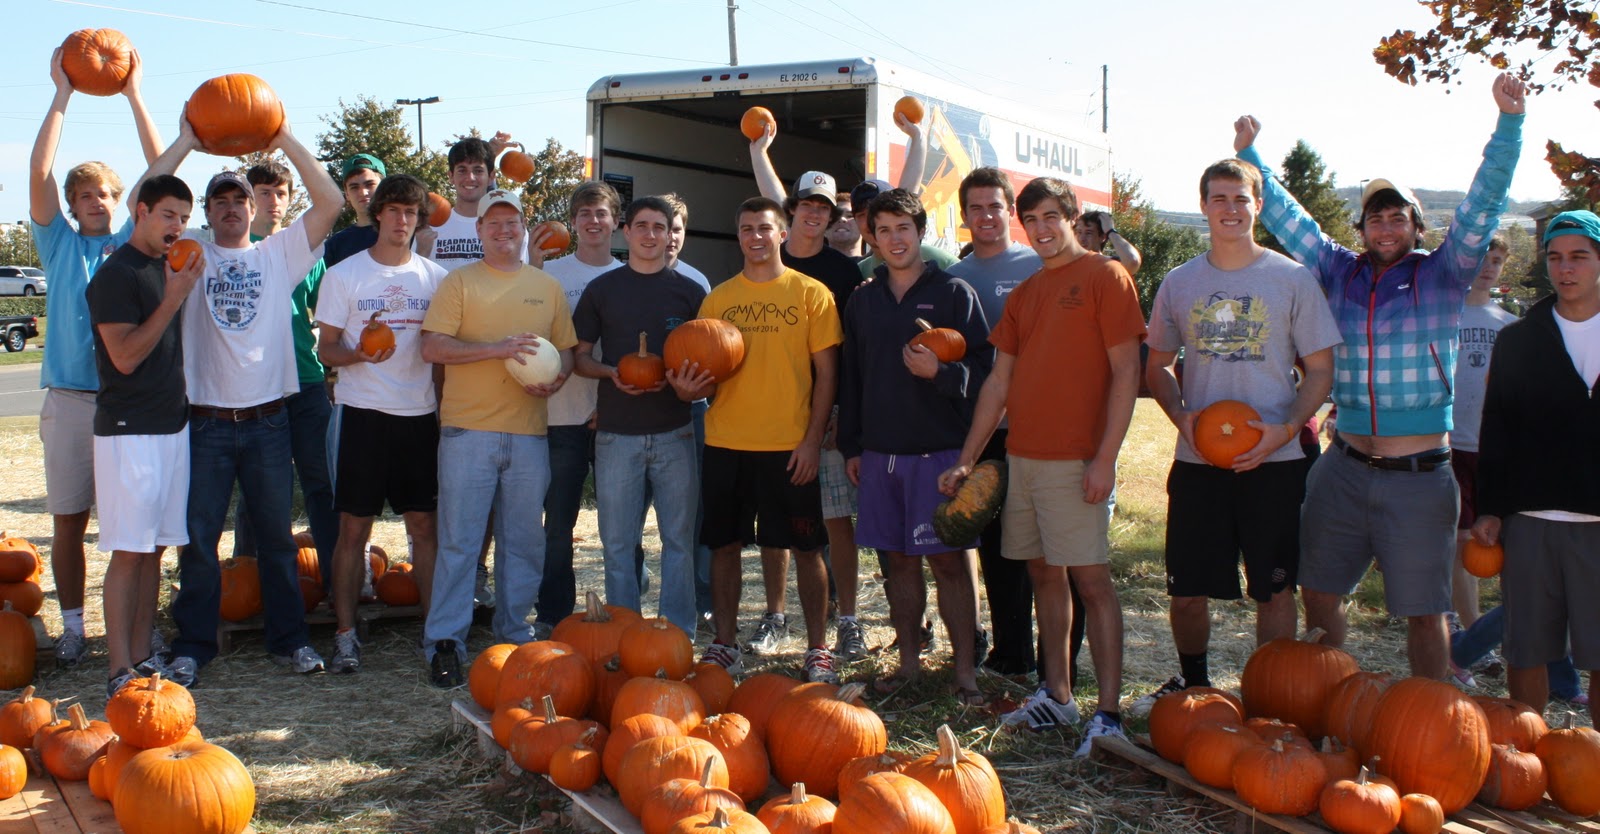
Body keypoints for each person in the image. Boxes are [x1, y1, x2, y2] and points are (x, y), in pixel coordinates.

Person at [1233, 72, 1526, 679]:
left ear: (1416, 226)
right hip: (1342, 467)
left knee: (1426, 613)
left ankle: (1430, 719)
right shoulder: (1340, 272)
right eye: (1375, 219)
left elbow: (1485, 201)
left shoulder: (1444, 274)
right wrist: (1251, 157)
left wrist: (1509, 124)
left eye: (1398, 218)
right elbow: (1293, 223)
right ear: (1361, 229)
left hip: (1420, 477)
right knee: (1318, 592)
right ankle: (1327, 696)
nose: (1386, 228)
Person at [938, 176, 1145, 756]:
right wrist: (967, 460)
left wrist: (1104, 458)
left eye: (1053, 216)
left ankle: (1108, 714)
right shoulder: (1027, 293)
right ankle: (1057, 695)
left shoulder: (1106, 278)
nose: (1044, 228)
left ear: (1073, 216)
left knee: (1092, 582)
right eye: (1034, 219)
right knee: (1043, 575)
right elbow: (998, 382)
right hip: (1023, 459)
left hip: (1076, 460)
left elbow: (1128, 372)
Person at [145, 108, 342, 687]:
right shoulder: (190, 252)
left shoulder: (277, 255)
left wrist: (283, 137)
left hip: (266, 422)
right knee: (200, 541)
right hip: (204, 423)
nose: (231, 209)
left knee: (278, 541)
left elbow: (328, 203)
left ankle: (291, 641)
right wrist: (185, 138)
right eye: (220, 202)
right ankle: (194, 646)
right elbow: (147, 196)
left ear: (254, 208)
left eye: (240, 201)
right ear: (207, 213)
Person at [1137, 159, 1339, 710]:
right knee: (1185, 590)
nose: (1230, 209)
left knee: (1275, 589)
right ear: (1203, 206)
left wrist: (1286, 430)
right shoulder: (1181, 282)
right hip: (1201, 460)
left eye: (1241, 199)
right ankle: (1195, 687)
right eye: (1219, 198)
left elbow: (1321, 369)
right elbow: (1156, 367)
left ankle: (1269, 699)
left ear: (1257, 206)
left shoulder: (1293, 278)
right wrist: (1184, 421)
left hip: (1274, 462)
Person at [29, 43, 162, 666]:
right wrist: (62, 93)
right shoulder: (55, 244)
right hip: (70, 401)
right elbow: (39, 174)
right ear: (72, 205)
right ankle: (76, 626)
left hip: (125, 403)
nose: (94, 202)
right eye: (83, 196)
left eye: (105, 195)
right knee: (67, 522)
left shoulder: (129, 247)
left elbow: (161, 166)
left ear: (121, 203)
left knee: (132, 531)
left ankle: (135, 626)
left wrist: (134, 94)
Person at [837, 188, 991, 702]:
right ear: (872, 238)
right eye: (883, 230)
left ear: (920, 232)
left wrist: (942, 373)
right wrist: (852, 446)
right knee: (897, 561)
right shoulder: (862, 300)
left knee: (949, 562)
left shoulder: (953, 293)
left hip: (939, 452)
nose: (894, 238)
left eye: (903, 228)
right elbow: (851, 379)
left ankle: (965, 671)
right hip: (881, 454)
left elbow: (985, 374)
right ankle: (908, 664)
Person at [421, 188, 575, 687]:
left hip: (529, 432)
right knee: (461, 542)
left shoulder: (545, 287)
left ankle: (513, 634)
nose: (504, 231)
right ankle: (445, 641)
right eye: (494, 223)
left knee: (524, 542)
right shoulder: (458, 283)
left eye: (512, 222)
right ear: (480, 230)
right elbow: (433, 346)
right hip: (469, 430)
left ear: (523, 228)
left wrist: (557, 378)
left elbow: (566, 350)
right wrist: (496, 348)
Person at [690, 197, 843, 683]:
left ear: (783, 234)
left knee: (806, 548)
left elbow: (827, 374)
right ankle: (725, 645)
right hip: (727, 442)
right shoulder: (718, 299)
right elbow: (707, 370)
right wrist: (688, 387)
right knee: (724, 546)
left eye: (765, 228)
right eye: (747, 229)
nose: (756, 236)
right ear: (738, 237)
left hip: (788, 447)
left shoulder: (811, 293)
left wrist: (812, 439)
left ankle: (817, 647)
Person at [317, 174, 447, 674]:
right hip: (362, 416)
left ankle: (436, 635)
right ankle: (346, 636)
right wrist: (359, 355)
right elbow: (326, 348)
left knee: (424, 529)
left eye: (410, 213)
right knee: (353, 530)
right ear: (378, 216)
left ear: (418, 220)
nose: (400, 221)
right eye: (392, 211)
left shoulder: (434, 279)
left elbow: (438, 355)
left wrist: (442, 406)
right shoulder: (345, 275)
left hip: (418, 416)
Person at [1472, 209, 1600, 714]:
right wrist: (1490, 508)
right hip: (1530, 519)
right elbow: (1497, 429)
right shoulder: (1519, 340)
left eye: (1578, 257)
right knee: (1526, 648)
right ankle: (1529, 750)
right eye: (1555, 258)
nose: (1565, 269)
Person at [749, 135, 867, 660]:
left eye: (825, 207)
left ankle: (847, 619)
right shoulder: (766, 261)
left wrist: (844, 412)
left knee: (835, 519)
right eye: (807, 205)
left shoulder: (845, 272)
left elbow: (849, 353)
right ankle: (775, 616)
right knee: (775, 522)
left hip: (829, 412)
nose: (815, 215)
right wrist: (760, 150)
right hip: (772, 413)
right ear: (791, 209)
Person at [87, 173, 201, 696]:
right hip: (128, 431)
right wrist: (174, 298)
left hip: (171, 425)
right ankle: (116, 671)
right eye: (167, 215)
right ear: (142, 212)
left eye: (182, 216)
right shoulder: (117, 274)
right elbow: (125, 356)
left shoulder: (167, 267)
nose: (176, 225)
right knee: (129, 551)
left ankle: (142, 656)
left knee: (155, 547)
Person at [573, 196, 706, 633]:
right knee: (617, 543)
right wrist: (612, 373)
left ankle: (677, 633)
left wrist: (690, 385)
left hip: (676, 432)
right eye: (642, 226)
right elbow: (580, 358)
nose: (651, 235)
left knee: (678, 541)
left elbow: (708, 360)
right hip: (617, 434)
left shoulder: (690, 292)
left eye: (660, 227)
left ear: (671, 235)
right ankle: (624, 632)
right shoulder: (602, 290)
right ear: (625, 231)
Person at [945, 167, 1055, 679]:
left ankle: (1056, 660)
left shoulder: (1039, 265)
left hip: (1037, 425)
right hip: (980, 428)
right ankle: (1012, 654)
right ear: (963, 216)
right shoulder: (955, 277)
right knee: (995, 543)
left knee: (1038, 545)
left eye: (994, 206)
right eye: (975, 208)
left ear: (1009, 210)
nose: (985, 216)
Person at [229, 160, 338, 593]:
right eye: (263, 193)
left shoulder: (306, 251)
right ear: (249, 200)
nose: (272, 202)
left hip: (306, 380)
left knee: (322, 485)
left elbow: (323, 314)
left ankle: (334, 580)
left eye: (281, 194)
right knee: (256, 491)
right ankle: (244, 580)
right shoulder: (237, 250)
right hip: (258, 385)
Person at [534, 181, 623, 634]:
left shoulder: (628, 277)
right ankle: (552, 615)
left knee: (620, 528)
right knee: (558, 527)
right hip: (560, 418)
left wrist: (611, 404)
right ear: (573, 221)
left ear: (615, 223)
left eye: (601, 214)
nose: (593, 221)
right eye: (585, 214)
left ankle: (624, 610)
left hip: (614, 419)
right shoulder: (551, 276)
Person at [1448, 236, 1514, 645]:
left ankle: (1514, 631)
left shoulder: (1508, 324)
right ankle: (1471, 633)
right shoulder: (1446, 316)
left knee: (1502, 544)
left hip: (1494, 449)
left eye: (1497, 261)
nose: (1489, 267)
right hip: (1452, 443)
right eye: (1483, 259)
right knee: (1461, 541)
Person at [1074, 210, 1143, 275]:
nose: (1081, 238)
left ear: (1102, 237)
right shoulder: (1069, 263)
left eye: (1088, 233)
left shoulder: (1110, 264)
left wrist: (1110, 231)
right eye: (1079, 232)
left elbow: (1133, 261)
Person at [828, 192, 864, 259]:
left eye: (850, 216)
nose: (842, 219)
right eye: (835, 216)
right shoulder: (809, 267)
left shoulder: (878, 268)